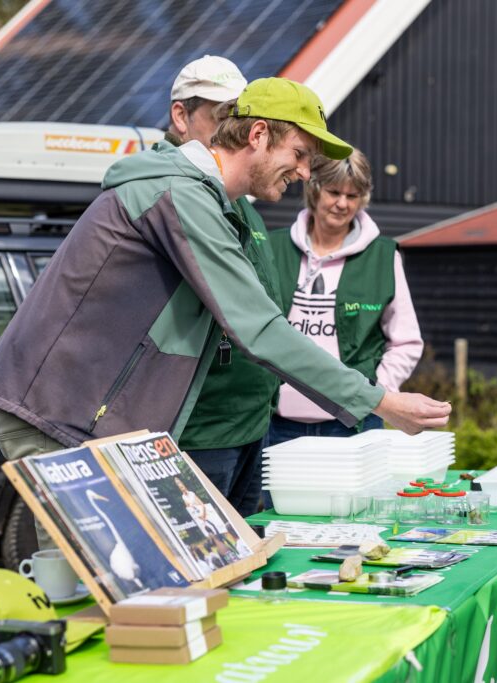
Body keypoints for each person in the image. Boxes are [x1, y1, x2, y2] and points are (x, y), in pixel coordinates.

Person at [0, 77, 451, 548]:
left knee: (132, 597)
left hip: (102, 423)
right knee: (85, 597)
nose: (306, 173)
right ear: (258, 134)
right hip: (60, 417)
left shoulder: (216, 204)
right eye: (299, 155)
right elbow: (259, 328)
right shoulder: (180, 195)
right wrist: (380, 401)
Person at [161, 56, 286, 516]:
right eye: (219, 118)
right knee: (199, 570)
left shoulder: (242, 204)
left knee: (245, 571)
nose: (230, 132)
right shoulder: (173, 194)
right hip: (199, 430)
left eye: (239, 118)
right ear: (180, 116)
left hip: (253, 423)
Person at [265, 149, 423, 446]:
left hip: (354, 425)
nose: (341, 204)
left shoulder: (382, 256)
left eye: (352, 196)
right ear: (314, 189)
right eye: (334, 192)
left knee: (356, 497)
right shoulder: (273, 249)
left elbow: (406, 341)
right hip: (277, 423)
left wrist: (378, 392)